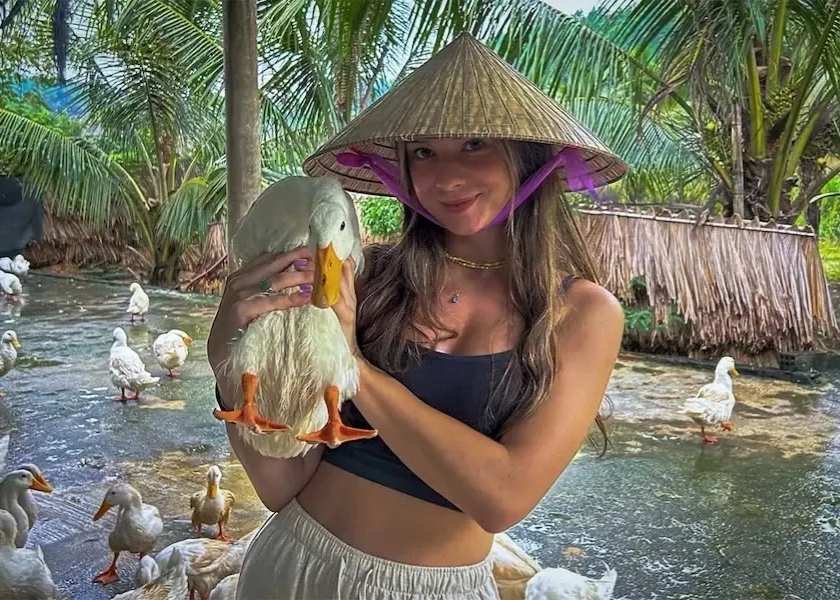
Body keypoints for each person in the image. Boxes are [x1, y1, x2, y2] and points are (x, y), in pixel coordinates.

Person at [208, 32, 627, 599]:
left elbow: (501, 498)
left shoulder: (582, 314)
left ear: (527, 156)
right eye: (423, 152)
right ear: (400, 169)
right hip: (294, 563)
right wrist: (228, 364)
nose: (446, 176)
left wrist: (352, 365)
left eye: (474, 144)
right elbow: (281, 484)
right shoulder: (370, 276)